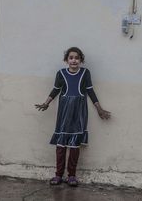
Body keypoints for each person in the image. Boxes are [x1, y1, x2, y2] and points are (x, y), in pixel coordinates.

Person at [35, 47, 111, 187]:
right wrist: (46, 103)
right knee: (61, 144)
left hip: (79, 112)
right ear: (66, 60)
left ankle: (71, 176)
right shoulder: (61, 74)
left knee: (75, 146)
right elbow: (56, 90)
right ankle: (58, 175)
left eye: (77, 57)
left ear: (81, 60)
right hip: (64, 112)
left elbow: (90, 91)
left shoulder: (85, 73)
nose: (74, 60)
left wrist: (99, 108)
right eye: (71, 57)